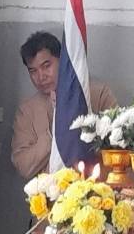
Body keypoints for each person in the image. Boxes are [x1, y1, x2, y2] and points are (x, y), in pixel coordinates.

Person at [11, 31, 117, 179]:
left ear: (62, 61)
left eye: (46, 66)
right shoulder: (27, 111)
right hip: (48, 191)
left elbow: (118, 147)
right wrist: (54, 131)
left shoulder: (98, 94)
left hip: (95, 187)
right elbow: (23, 166)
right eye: (33, 71)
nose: (41, 77)